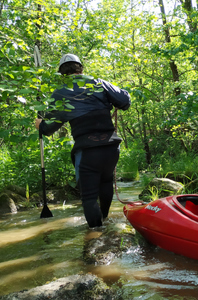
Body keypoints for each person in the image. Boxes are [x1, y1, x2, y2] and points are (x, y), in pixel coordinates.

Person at [35, 53, 131, 228]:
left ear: (62, 74)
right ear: (81, 68)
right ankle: (104, 222)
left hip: (88, 151)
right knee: (106, 181)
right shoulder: (98, 83)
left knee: (88, 196)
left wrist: (40, 125)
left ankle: (96, 234)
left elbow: (49, 129)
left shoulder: (60, 93)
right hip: (111, 149)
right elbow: (125, 100)